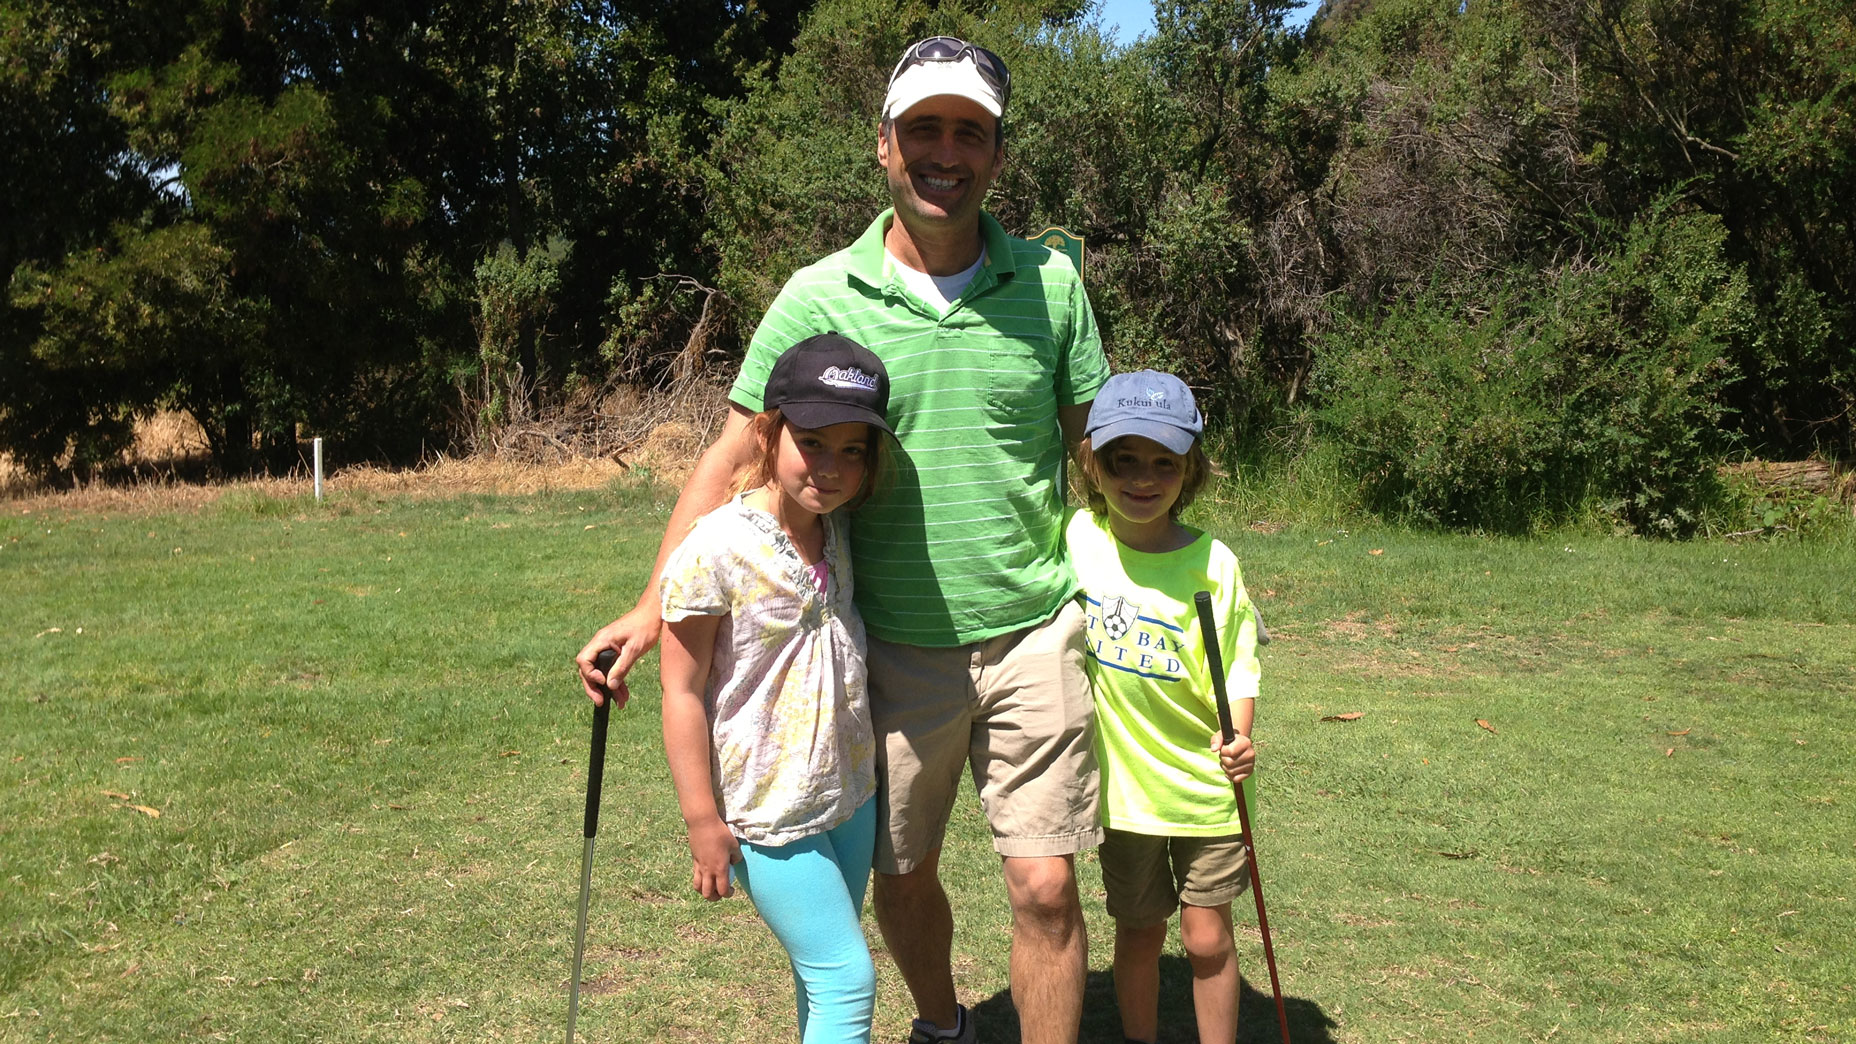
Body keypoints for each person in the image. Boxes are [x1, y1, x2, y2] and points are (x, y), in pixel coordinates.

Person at [578, 35, 1109, 1044]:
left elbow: (1092, 458)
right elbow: (726, 459)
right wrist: (651, 610)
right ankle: (942, 1025)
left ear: (996, 153)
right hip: (893, 649)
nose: (943, 152)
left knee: (1043, 886)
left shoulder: (1051, 287)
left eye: (968, 131)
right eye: (922, 130)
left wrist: (1163, 571)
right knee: (901, 878)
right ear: (882, 146)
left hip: (1035, 629)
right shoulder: (817, 294)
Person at [657, 334, 893, 1044]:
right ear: (769, 434)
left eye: (854, 450)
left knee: (819, 974)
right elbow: (681, 691)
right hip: (768, 809)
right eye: (814, 442)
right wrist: (702, 819)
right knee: (848, 980)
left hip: (848, 792)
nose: (832, 467)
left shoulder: (838, 529)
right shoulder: (716, 545)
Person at [1063, 370, 1262, 1044]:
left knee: (1207, 939)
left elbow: (1239, 661)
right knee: (1140, 932)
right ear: (1094, 462)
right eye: (1125, 461)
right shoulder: (1079, 539)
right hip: (1126, 796)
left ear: (1191, 469)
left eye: (1163, 463)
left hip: (1208, 788)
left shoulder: (1215, 563)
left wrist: (1242, 736)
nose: (1143, 479)